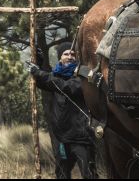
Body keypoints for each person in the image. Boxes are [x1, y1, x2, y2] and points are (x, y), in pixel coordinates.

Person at [27, 42, 97, 179]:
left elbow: (67, 87)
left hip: (81, 137)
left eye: (73, 54)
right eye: (66, 54)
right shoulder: (56, 75)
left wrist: (40, 73)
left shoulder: (83, 75)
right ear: (60, 58)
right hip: (62, 138)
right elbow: (44, 82)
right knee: (61, 175)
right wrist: (39, 64)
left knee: (89, 175)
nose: (70, 56)